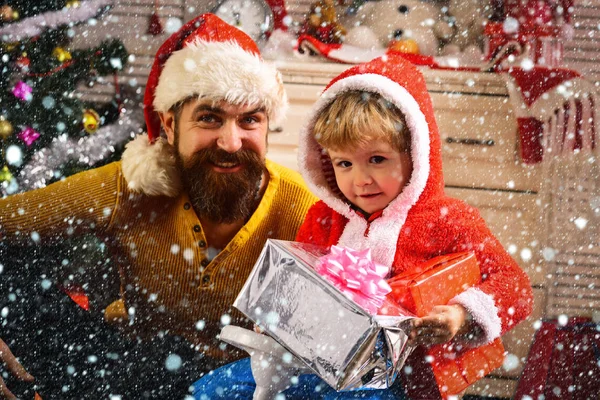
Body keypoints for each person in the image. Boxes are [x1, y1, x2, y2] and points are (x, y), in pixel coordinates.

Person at [0, 13, 317, 400]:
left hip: (245, 386)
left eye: (249, 120)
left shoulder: (304, 207)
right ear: (169, 125)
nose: (231, 141)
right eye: (209, 118)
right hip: (127, 372)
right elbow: (8, 221)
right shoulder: (131, 185)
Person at [192, 54, 534, 399]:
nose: (360, 180)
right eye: (344, 163)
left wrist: (461, 316)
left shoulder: (449, 220)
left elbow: (515, 287)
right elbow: (298, 289)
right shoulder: (323, 219)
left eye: (377, 159)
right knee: (214, 390)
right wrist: (277, 321)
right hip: (312, 362)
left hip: (398, 378)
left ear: (415, 153)